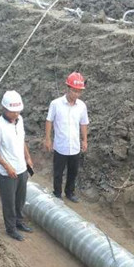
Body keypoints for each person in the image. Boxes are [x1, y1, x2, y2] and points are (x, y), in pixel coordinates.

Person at [0, 90, 34, 241]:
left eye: (18, 111)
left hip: (22, 168)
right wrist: (7, 167)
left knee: (20, 199)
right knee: (9, 202)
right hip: (7, 173)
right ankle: (11, 228)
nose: (16, 114)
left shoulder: (20, 120)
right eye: (13, 111)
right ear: (5, 109)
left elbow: (21, 140)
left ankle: (19, 222)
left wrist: (27, 157)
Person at [44, 72, 89, 202]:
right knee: (58, 172)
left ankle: (70, 192)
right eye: (74, 91)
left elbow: (84, 123)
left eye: (79, 92)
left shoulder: (81, 106)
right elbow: (49, 121)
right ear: (68, 88)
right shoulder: (56, 104)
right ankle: (57, 193)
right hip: (60, 146)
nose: (76, 94)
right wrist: (47, 139)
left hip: (74, 146)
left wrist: (84, 140)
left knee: (73, 172)